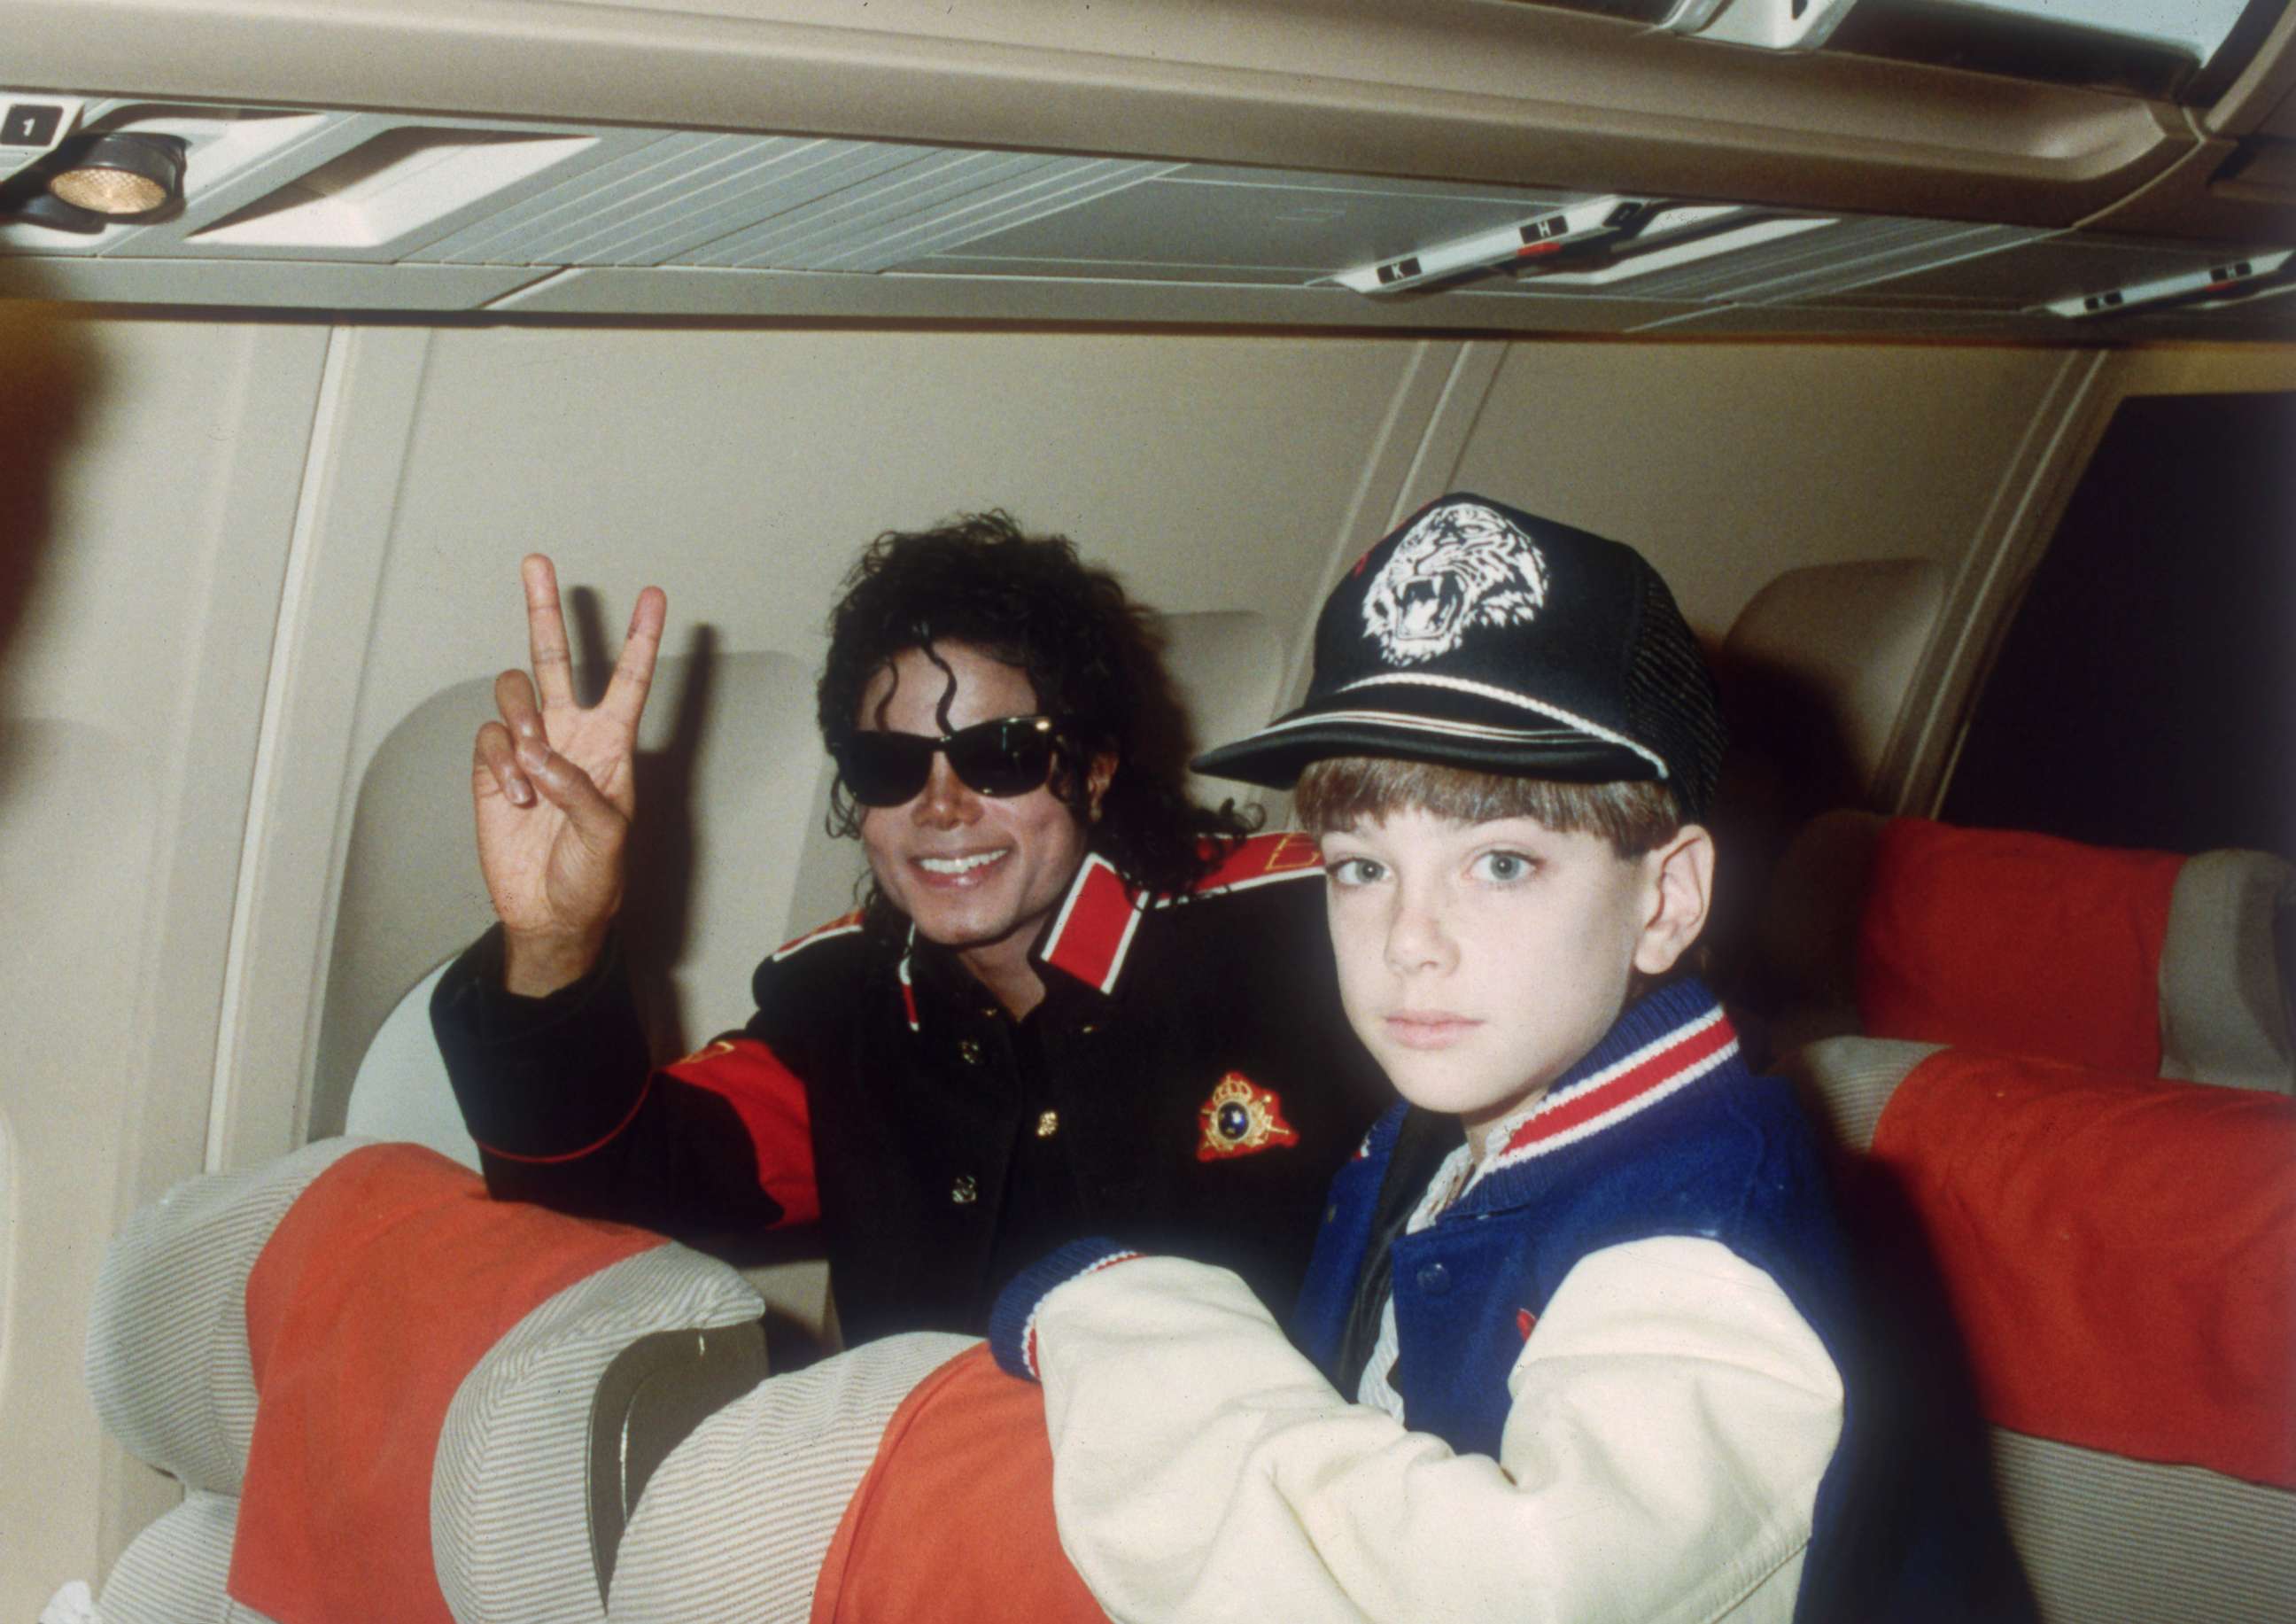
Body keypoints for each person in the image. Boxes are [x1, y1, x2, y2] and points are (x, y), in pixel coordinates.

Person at [430, 512, 1390, 1344]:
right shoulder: (845, 1011)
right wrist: (555, 939)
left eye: (1000, 755)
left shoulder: (1306, 940)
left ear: (1095, 768)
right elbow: (600, 1190)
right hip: (931, 1521)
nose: (941, 805)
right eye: (892, 765)